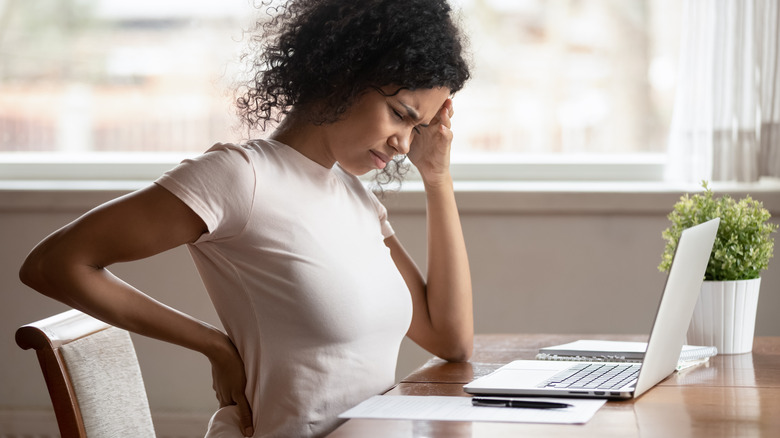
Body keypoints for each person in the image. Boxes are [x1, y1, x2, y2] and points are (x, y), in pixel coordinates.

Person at [19, 0, 473, 436]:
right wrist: (213, 345)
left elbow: (449, 340)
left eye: (416, 128)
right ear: (345, 74)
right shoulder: (241, 178)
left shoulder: (356, 199)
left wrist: (437, 177)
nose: (403, 144)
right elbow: (53, 265)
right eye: (399, 115)